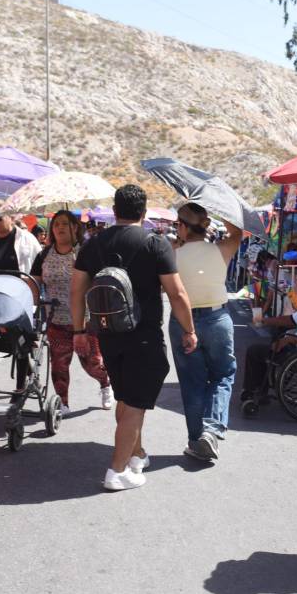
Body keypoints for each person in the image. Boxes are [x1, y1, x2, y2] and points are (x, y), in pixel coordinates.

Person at [71, 184, 198, 492]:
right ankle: (116, 472)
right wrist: (190, 330)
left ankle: (136, 454)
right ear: (144, 212)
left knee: (127, 398)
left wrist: (78, 330)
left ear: (115, 211)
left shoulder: (93, 244)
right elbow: (177, 294)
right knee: (135, 404)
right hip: (144, 336)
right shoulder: (156, 244)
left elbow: (76, 290)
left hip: (108, 333)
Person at [170, 202, 242, 462]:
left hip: (182, 321)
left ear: (181, 226)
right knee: (223, 375)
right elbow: (238, 233)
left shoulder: (172, 254)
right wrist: (221, 207)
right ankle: (210, 431)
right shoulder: (221, 249)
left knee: (192, 382)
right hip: (217, 317)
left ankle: (196, 439)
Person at [30, 210, 112, 416]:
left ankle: (105, 382)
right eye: (56, 224)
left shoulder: (85, 253)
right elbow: (33, 282)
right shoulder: (43, 255)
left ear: (75, 227)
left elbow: (99, 281)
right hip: (55, 320)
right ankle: (63, 403)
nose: (60, 228)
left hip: (84, 322)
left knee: (93, 365)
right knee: (58, 366)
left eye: (65, 224)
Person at [240, 273, 297, 407]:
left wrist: (288, 340)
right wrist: (265, 321)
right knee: (262, 350)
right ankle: (256, 390)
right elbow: (290, 320)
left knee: (256, 351)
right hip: (294, 349)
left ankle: (254, 390)